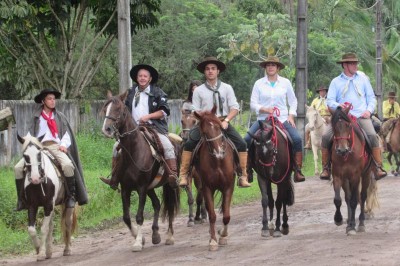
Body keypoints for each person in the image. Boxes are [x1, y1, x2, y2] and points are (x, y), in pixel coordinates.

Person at [100, 64, 179, 189]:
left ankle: (172, 175)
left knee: (168, 146)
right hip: (133, 130)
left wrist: (148, 117)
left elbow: (164, 112)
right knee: (116, 147)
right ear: (137, 78)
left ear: (150, 79)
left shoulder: (158, 93)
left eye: (145, 76)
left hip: (154, 128)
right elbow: (120, 108)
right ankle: (114, 178)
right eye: (140, 76)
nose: (142, 78)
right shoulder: (131, 93)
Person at [178, 56, 251, 188]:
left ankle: (242, 175)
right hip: (204, 124)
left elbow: (235, 107)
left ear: (218, 71)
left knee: (241, 143)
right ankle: (184, 175)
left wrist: (227, 120)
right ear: (204, 72)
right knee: (189, 143)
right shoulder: (198, 91)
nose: (210, 71)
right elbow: (195, 109)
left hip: (223, 121)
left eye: (213, 68)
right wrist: (204, 119)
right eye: (207, 69)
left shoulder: (227, 88)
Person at [14, 88, 88, 210]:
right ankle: (22, 200)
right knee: (17, 168)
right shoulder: (36, 117)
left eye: (54, 99)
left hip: (55, 146)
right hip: (38, 147)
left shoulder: (60, 117)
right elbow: (29, 135)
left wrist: (63, 145)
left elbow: (66, 134)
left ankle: (71, 197)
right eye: (49, 99)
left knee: (68, 165)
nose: (53, 101)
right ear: (43, 101)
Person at [320, 53, 387, 180]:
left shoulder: (363, 79)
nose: (355, 65)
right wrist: (339, 106)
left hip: (361, 116)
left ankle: (378, 166)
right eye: (352, 63)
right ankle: (326, 168)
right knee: (325, 136)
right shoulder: (335, 81)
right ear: (344, 65)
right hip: (342, 118)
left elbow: (371, 98)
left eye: (356, 63)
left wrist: (368, 110)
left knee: (372, 135)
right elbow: (329, 101)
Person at [243, 56, 306, 183]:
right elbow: (253, 104)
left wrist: (291, 115)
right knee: (247, 139)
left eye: (273, 65)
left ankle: (297, 170)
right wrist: (265, 109)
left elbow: (293, 101)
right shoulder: (258, 83)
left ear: (278, 68)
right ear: (265, 68)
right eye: (268, 65)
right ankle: (247, 170)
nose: (270, 67)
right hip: (263, 120)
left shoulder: (285, 83)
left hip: (282, 119)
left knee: (297, 139)